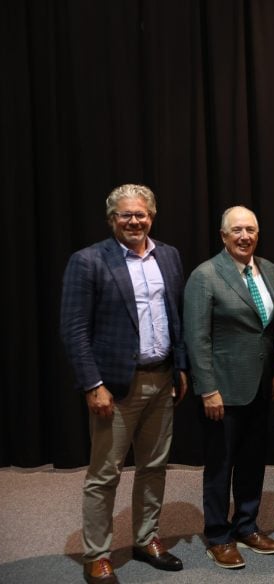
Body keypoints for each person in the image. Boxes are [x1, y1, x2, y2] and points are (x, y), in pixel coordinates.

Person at [60, 184, 188, 584]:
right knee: (105, 474)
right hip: (114, 386)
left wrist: (180, 367)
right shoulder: (88, 261)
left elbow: (176, 316)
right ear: (112, 218)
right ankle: (97, 554)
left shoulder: (168, 255)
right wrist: (92, 384)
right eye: (125, 215)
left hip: (162, 377)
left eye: (141, 214)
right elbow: (74, 329)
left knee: (153, 466)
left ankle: (146, 538)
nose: (135, 221)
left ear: (152, 216)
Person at [184, 206, 274, 569]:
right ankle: (218, 535)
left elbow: (269, 330)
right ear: (223, 236)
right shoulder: (205, 275)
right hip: (222, 391)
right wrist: (207, 389)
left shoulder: (269, 269)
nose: (245, 236)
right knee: (220, 465)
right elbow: (197, 339)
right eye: (237, 230)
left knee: (252, 461)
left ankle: (246, 525)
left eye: (251, 230)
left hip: (259, 386)